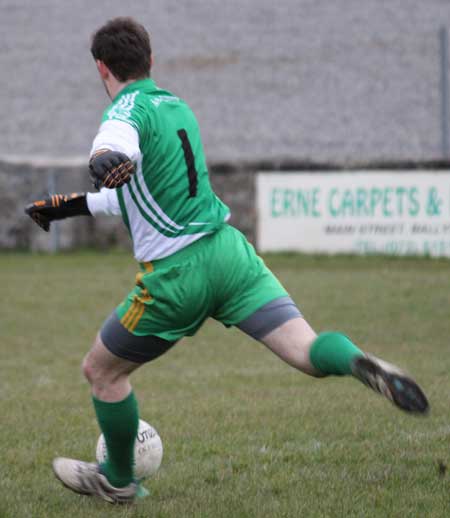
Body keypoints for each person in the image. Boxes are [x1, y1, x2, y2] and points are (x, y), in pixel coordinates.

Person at [25, 17, 429, 505]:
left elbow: (117, 138)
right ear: (151, 61)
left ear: (101, 68)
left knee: (102, 372)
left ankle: (117, 478)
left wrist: (103, 156)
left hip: (176, 275)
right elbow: (134, 196)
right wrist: (65, 206)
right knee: (308, 352)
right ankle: (357, 360)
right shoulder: (177, 106)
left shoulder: (125, 109)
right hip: (229, 254)